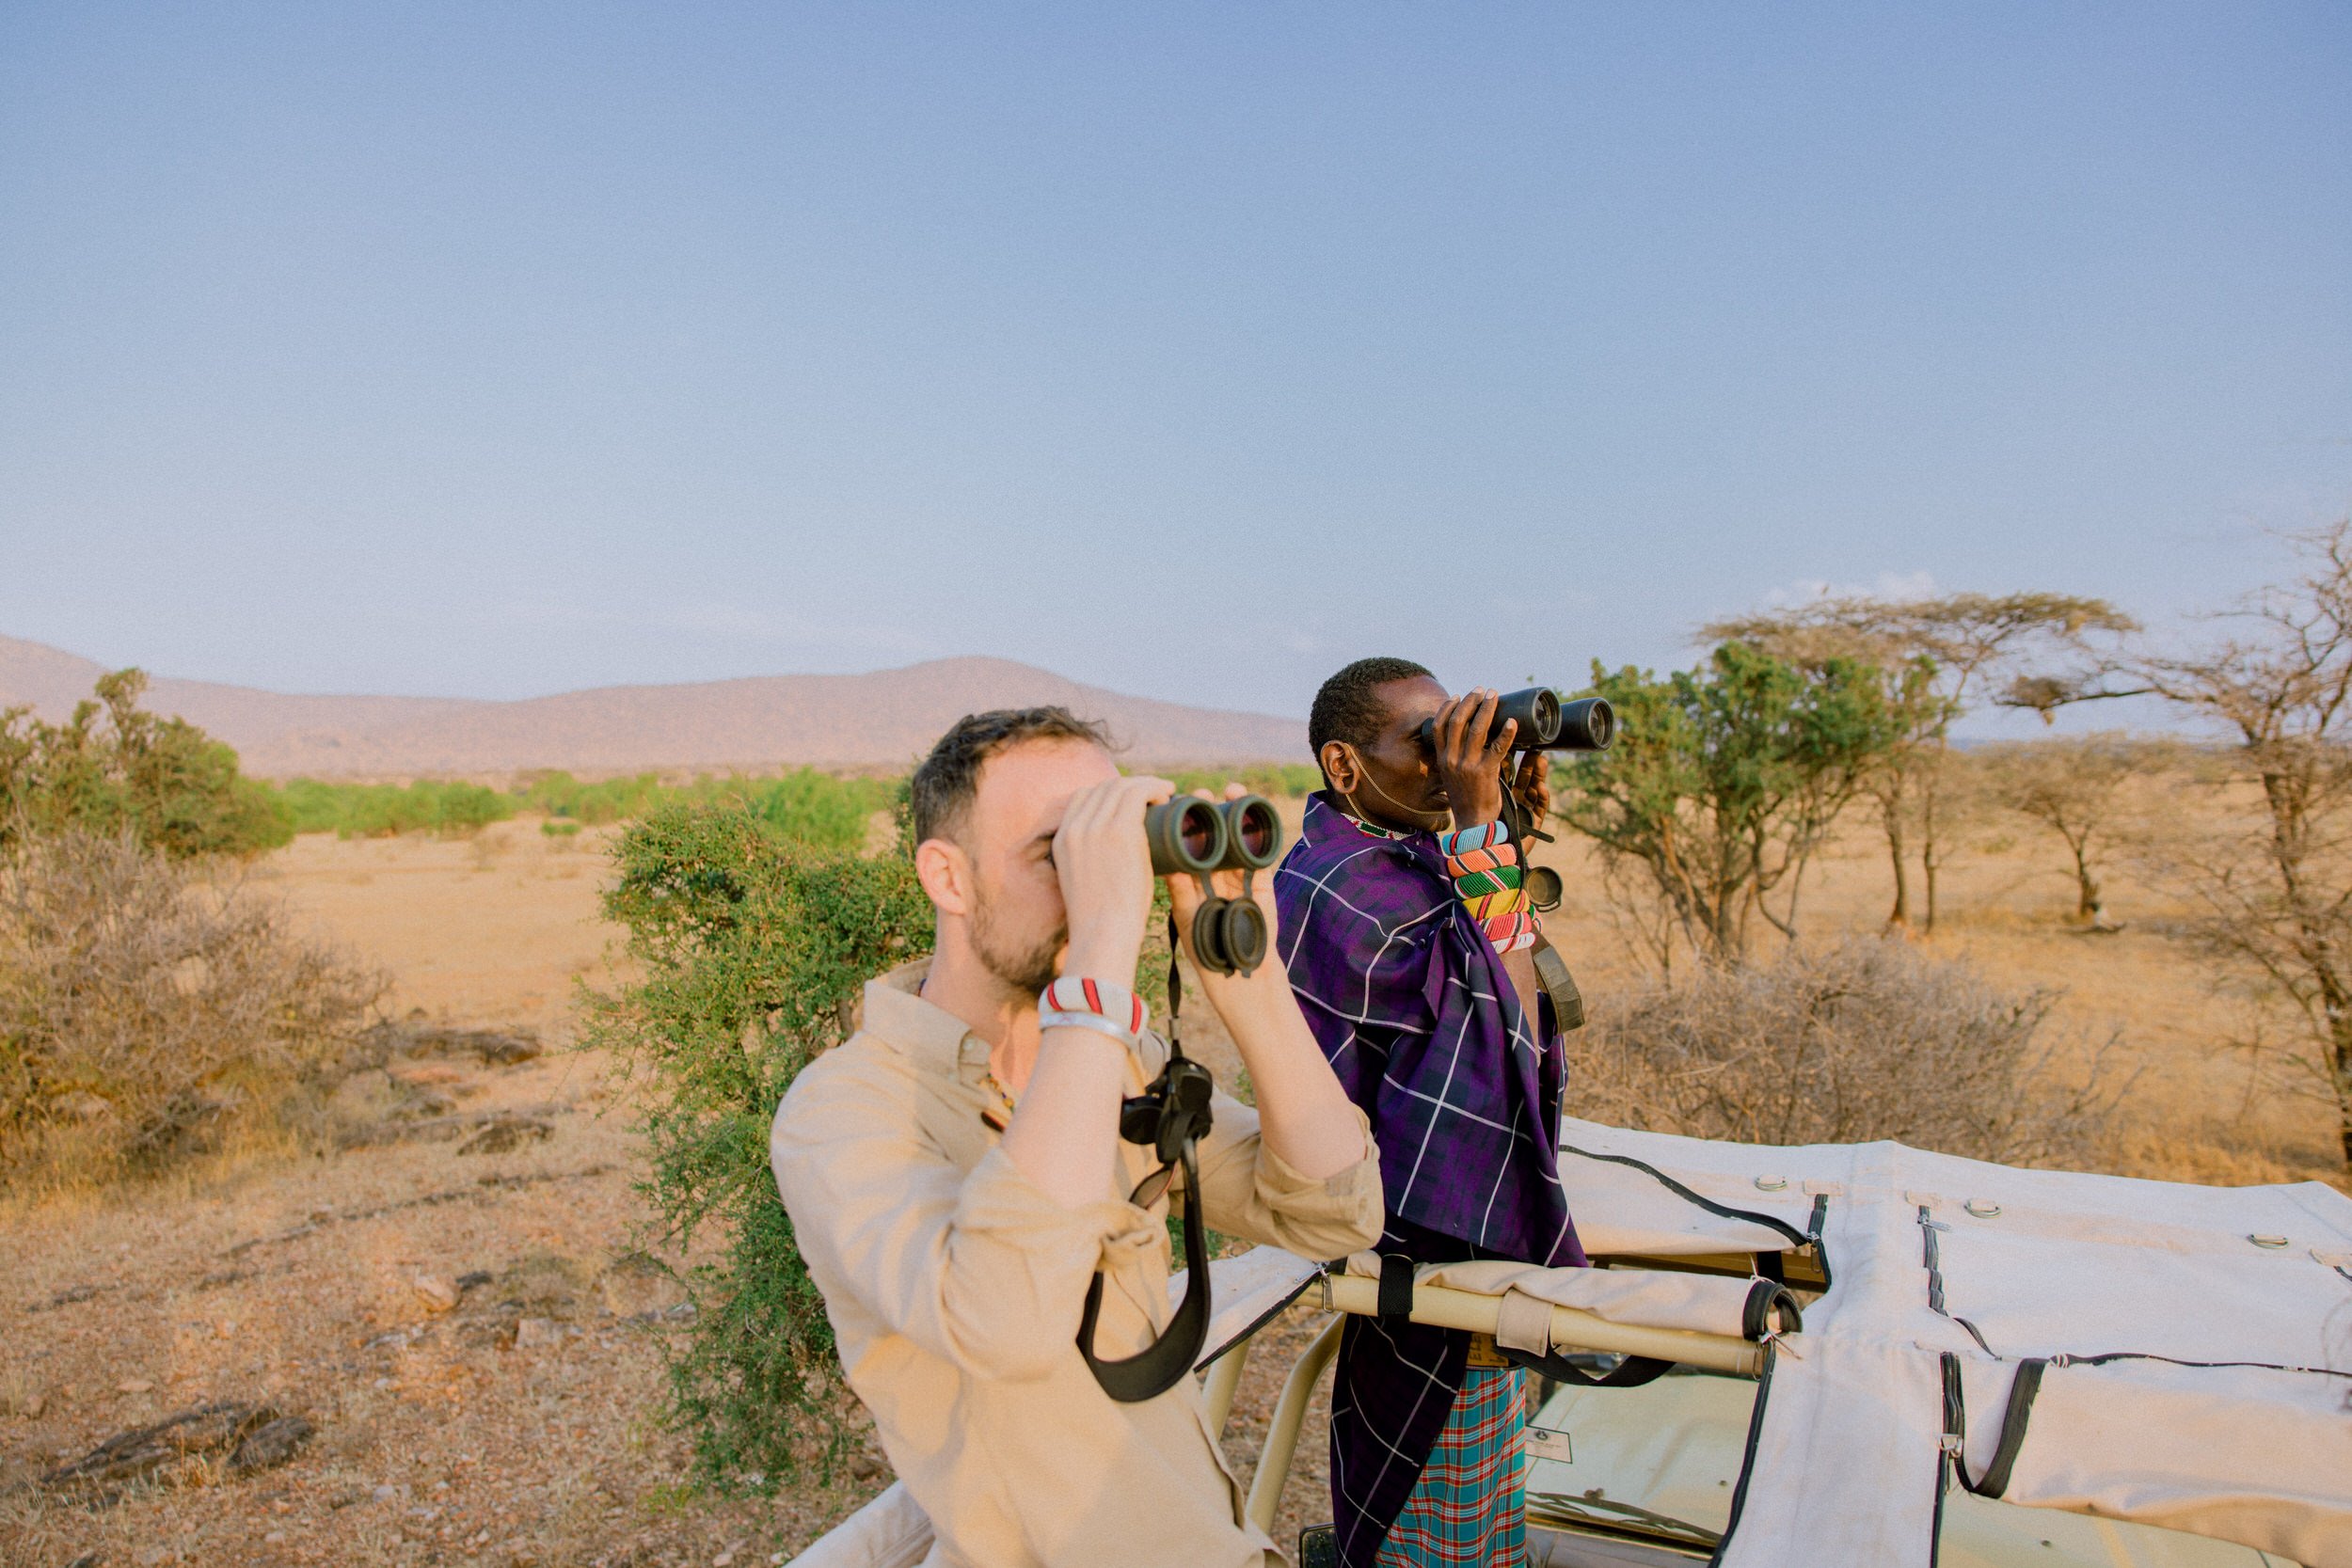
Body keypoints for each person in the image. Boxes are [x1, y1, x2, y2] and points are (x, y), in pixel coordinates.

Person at [771, 706, 1384, 1568]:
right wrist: (1096, 961)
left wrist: (1248, 976)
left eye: (1118, 845)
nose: (1103, 883)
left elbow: (1335, 1208)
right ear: (947, 876)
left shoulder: (1115, 1057)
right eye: (1059, 852)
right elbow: (1007, 1320)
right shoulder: (843, 1111)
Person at [1274, 658, 1586, 1568]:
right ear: (1343, 766)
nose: (1448, 761)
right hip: (1419, 1231)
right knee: (1436, 1514)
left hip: (1466, 1244)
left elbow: (1506, 990)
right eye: (1424, 742)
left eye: (1455, 736)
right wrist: (1481, 826)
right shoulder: (1336, 885)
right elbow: (1507, 1037)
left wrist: (1499, 827)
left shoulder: (1410, 856)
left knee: (1485, 1499)